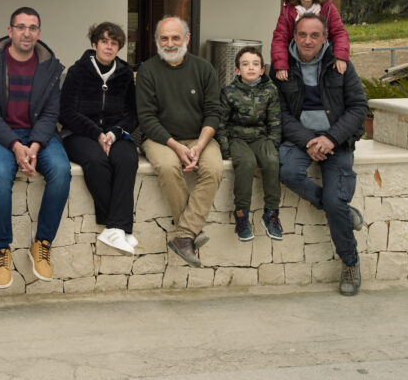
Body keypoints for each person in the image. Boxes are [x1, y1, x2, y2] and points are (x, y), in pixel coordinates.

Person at [0, 7, 71, 288]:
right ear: (10, 31)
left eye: (32, 28)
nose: (27, 33)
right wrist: (16, 146)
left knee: (61, 170)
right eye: (21, 27)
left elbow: (50, 114)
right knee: (0, 174)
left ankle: (42, 243)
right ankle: (1, 250)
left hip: (38, 136)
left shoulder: (51, 67)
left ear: (39, 33)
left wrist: (32, 145)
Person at [271, 14, 367, 296]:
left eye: (314, 35)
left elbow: (359, 107)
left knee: (335, 198)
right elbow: (280, 114)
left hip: (337, 140)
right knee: (287, 171)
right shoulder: (281, 68)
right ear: (294, 36)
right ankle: (342, 214)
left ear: (325, 37)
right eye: (302, 34)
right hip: (301, 140)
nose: (308, 40)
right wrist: (309, 141)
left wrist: (330, 138)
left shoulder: (341, 66)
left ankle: (350, 262)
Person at [135, 15, 221, 268]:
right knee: (168, 167)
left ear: (187, 39)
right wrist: (176, 146)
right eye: (164, 38)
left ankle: (184, 234)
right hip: (161, 138)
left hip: (199, 136)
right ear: (156, 41)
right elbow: (147, 118)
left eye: (175, 37)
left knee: (214, 169)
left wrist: (199, 146)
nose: (170, 43)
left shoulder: (204, 68)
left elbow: (213, 111)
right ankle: (192, 232)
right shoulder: (148, 71)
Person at [60, 22, 138, 255]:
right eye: (104, 41)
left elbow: (132, 114)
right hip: (80, 134)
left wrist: (113, 133)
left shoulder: (124, 74)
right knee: (96, 161)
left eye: (114, 43)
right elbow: (66, 112)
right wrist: (96, 133)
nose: (109, 46)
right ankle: (118, 227)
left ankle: (115, 229)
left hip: (114, 134)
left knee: (127, 159)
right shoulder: (78, 71)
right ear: (95, 44)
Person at [215, 46, 283, 242]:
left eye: (255, 64)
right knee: (246, 163)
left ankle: (271, 214)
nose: (250, 68)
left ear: (262, 70)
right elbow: (221, 123)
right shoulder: (229, 92)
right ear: (237, 70)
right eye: (245, 64)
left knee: (271, 161)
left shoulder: (270, 90)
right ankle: (242, 216)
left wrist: (273, 143)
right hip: (237, 138)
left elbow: (275, 121)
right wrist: (225, 147)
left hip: (261, 137)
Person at [271, 0, 349, 81]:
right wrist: (281, 64)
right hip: (297, 59)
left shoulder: (328, 8)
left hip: (323, 58)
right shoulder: (287, 11)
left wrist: (340, 56)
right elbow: (280, 38)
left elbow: (339, 33)